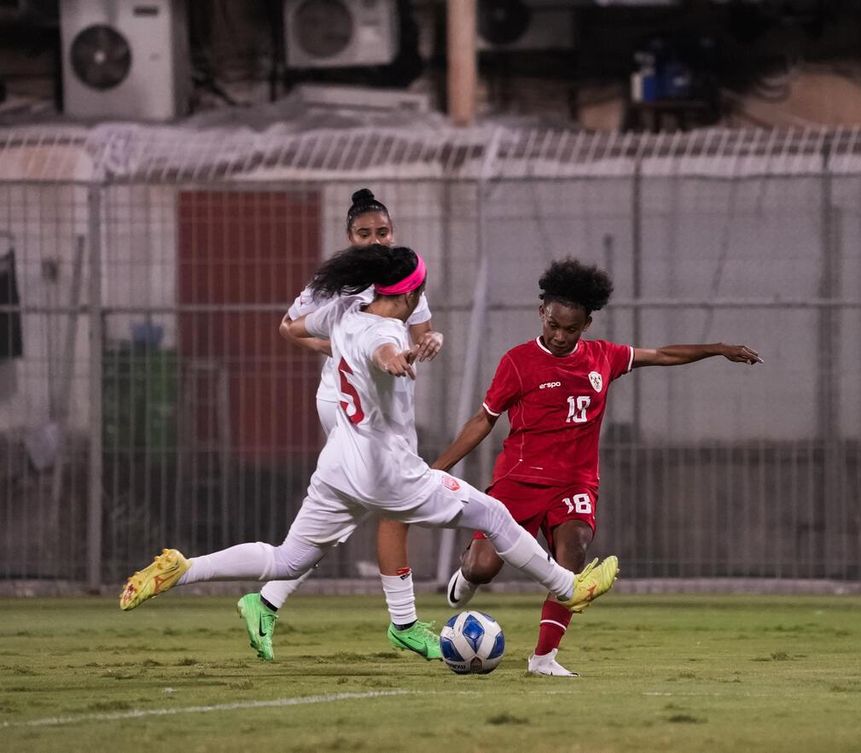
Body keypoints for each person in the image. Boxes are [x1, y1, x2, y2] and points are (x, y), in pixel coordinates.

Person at [120, 246, 620, 650]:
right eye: (419, 295)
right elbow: (383, 353)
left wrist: (394, 350)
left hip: (339, 462)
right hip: (387, 472)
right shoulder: (385, 333)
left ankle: (184, 569)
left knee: (289, 559)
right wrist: (397, 359)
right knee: (492, 515)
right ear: (405, 297)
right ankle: (566, 587)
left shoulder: (343, 310)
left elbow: (296, 328)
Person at [434, 257, 761, 677]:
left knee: (574, 552)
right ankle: (468, 574)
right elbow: (483, 419)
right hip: (519, 482)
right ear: (542, 313)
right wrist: (436, 470)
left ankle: (543, 659)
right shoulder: (518, 362)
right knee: (483, 567)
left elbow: (660, 354)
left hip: (575, 483)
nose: (558, 335)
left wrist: (717, 349)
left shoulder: (603, 358)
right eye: (553, 324)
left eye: (570, 328)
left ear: (587, 323)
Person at [236, 189, 445, 663]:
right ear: (349, 237)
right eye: (365, 233)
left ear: (393, 232)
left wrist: (431, 341)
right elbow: (289, 326)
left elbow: (419, 334)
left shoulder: (402, 278)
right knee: (394, 501)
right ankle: (405, 623)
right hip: (346, 405)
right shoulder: (337, 284)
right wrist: (338, 348)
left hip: (383, 404)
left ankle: (267, 601)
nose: (375, 240)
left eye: (383, 232)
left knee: (350, 509)